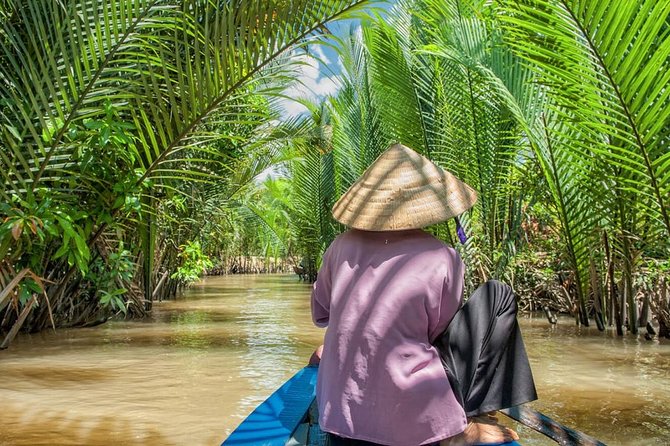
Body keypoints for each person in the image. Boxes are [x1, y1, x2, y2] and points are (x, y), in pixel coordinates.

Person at [310, 143, 537, 446]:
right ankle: (464, 421)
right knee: (498, 294)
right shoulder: (444, 257)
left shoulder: (340, 247)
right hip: (414, 426)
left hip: (338, 420)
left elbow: (321, 313)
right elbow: (437, 333)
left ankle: (457, 419)